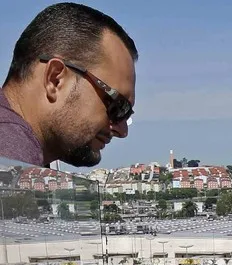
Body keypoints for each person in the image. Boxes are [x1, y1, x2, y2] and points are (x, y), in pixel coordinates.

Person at [0, 3, 138, 167]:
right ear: (55, 80)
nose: (122, 131)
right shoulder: (10, 152)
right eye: (117, 107)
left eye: (126, 114)